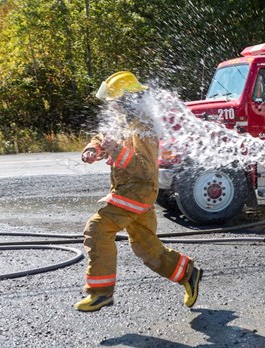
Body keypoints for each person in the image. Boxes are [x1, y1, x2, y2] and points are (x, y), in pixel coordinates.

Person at [75, 71, 203, 312]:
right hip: (127, 191)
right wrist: (92, 149)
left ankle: (100, 293)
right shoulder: (124, 121)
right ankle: (188, 273)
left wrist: (117, 152)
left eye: (115, 101)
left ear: (127, 101)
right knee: (145, 247)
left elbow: (145, 169)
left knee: (98, 228)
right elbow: (101, 137)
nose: (111, 106)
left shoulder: (143, 127)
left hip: (137, 192)